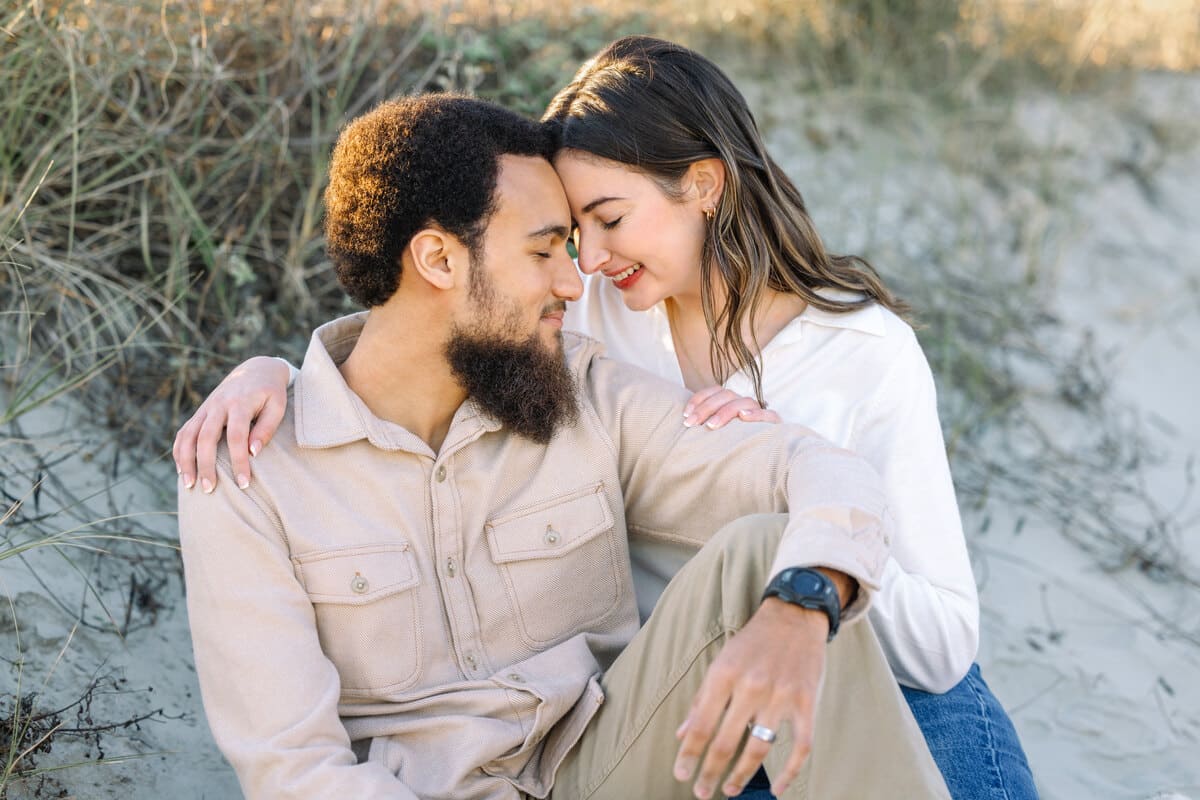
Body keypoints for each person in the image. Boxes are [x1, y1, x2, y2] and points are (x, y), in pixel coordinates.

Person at [175, 38, 1037, 799]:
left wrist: (799, 597)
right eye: (557, 242)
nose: (577, 270)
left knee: (795, 574)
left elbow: (848, 519)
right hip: (630, 719)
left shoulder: (834, 354)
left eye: (601, 225)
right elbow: (295, 768)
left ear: (704, 187)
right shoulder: (253, 473)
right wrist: (277, 371)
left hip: (731, 696)